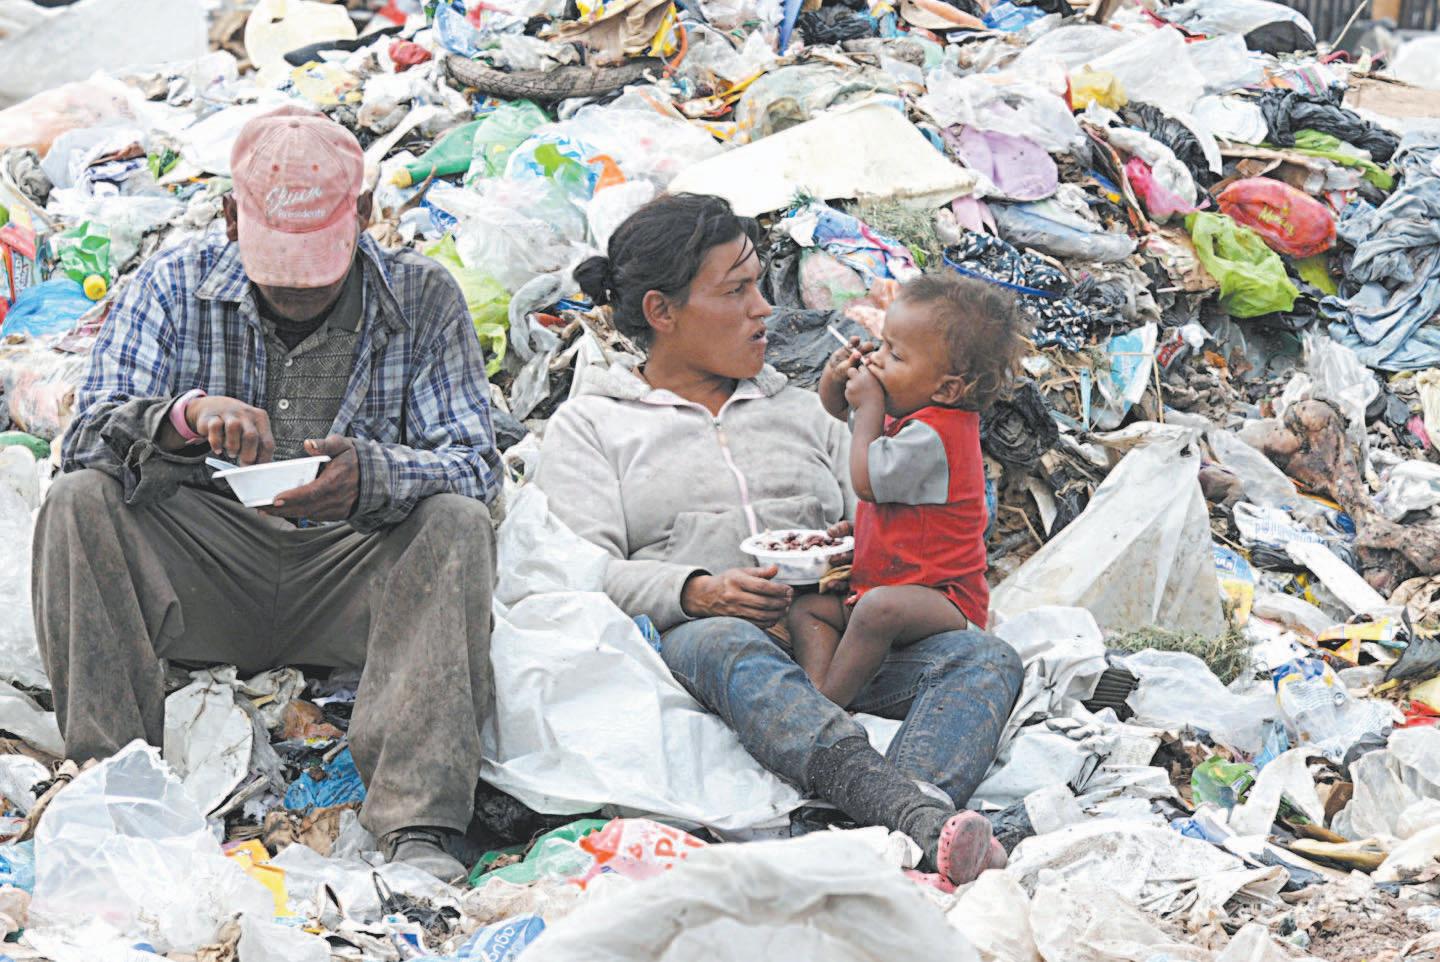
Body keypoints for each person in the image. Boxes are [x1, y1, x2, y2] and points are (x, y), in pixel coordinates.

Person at [32, 107, 502, 882]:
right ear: (229, 218)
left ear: (363, 212)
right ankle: (117, 798)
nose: (297, 293)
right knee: (79, 501)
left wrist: (373, 476)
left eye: (318, 267)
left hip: (350, 576)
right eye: (276, 267)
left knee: (455, 521)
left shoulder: (423, 298)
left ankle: (417, 823)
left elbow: (476, 466)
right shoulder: (172, 285)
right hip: (205, 571)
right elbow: (83, 440)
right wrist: (180, 421)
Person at [535, 193, 1025, 887]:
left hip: (831, 641)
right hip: (710, 651)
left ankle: (898, 820)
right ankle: (904, 812)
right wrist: (698, 591)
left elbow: (884, 514)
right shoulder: (595, 426)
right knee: (723, 642)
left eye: (760, 285)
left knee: (984, 657)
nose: (764, 308)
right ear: (662, 312)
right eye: (736, 291)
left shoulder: (801, 411)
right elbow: (579, 570)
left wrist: (850, 550)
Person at [789, 275, 1025, 707]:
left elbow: (865, 482)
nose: (877, 360)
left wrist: (869, 405)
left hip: (944, 600)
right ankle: (821, 686)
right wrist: (834, 377)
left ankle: (827, 708)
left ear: (947, 388)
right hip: (881, 584)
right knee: (807, 608)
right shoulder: (912, 412)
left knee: (878, 611)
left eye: (895, 355)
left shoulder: (940, 434)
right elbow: (840, 411)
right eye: (882, 345)